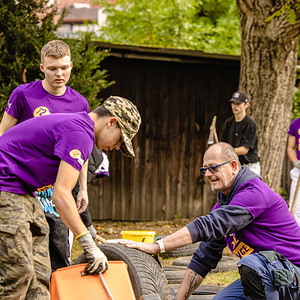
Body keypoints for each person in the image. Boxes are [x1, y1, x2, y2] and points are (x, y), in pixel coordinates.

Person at [0, 95, 141, 299]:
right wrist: (89, 246)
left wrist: (82, 189)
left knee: (41, 274)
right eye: (120, 140)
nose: (117, 147)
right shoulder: (80, 132)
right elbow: (61, 195)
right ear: (112, 122)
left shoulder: (80, 128)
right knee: (17, 274)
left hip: (24, 191)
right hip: (6, 187)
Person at [120, 142, 300, 300]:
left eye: (213, 168)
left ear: (234, 166)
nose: (207, 174)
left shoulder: (254, 194)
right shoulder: (222, 208)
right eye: (204, 169)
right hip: (266, 275)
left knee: (252, 264)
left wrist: (157, 246)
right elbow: (203, 259)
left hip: (292, 274)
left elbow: (209, 225)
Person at [0, 39, 100, 271]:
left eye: (64, 67)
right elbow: (4, 133)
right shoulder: (23, 94)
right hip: (23, 180)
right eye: (53, 68)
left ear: (71, 66)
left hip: (58, 184)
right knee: (23, 242)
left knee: (56, 240)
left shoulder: (79, 102)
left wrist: (82, 188)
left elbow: (81, 152)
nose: (59, 74)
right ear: (43, 68)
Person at [220, 91, 260, 176]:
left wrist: (226, 152)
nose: (235, 106)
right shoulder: (229, 123)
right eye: (233, 103)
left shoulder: (250, 124)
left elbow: (244, 150)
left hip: (250, 167)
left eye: (238, 103)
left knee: (250, 189)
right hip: (233, 166)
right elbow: (223, 144)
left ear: (246, 105)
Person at [287, 118, 300, 226]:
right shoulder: (296, 123)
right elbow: (290, 148)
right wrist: (296, 162)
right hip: (298, 171)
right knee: (295, 209)